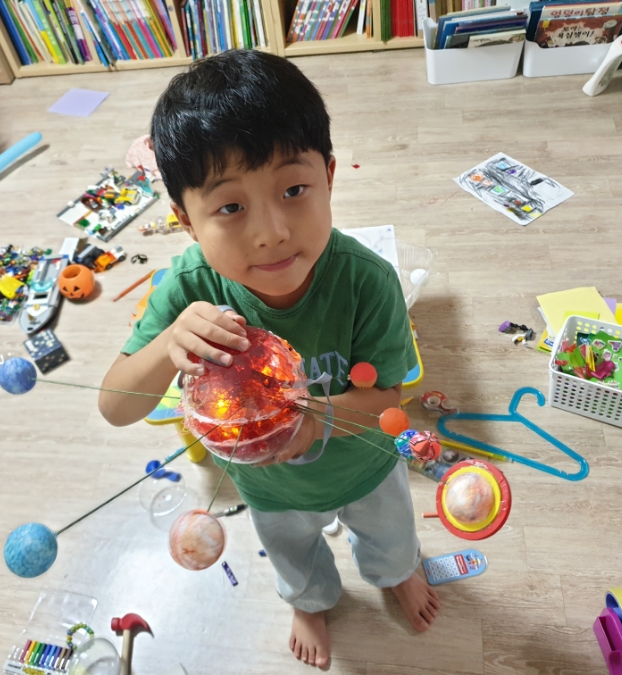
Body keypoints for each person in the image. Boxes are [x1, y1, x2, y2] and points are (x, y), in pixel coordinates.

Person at [98, 49, 439, 669]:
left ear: (329, 177)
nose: (272, 231)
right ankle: (310, 601)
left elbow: (387, 402)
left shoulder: (366, 281)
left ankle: (396, 573)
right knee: (294, 556)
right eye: (230, 207)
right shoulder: (189, 292)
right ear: (185, 220)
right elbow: (115, 407)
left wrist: (312, 425)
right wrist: (169, 341)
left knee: (392, 539)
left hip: (366, 468)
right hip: (269, 488)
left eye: (294, 189)